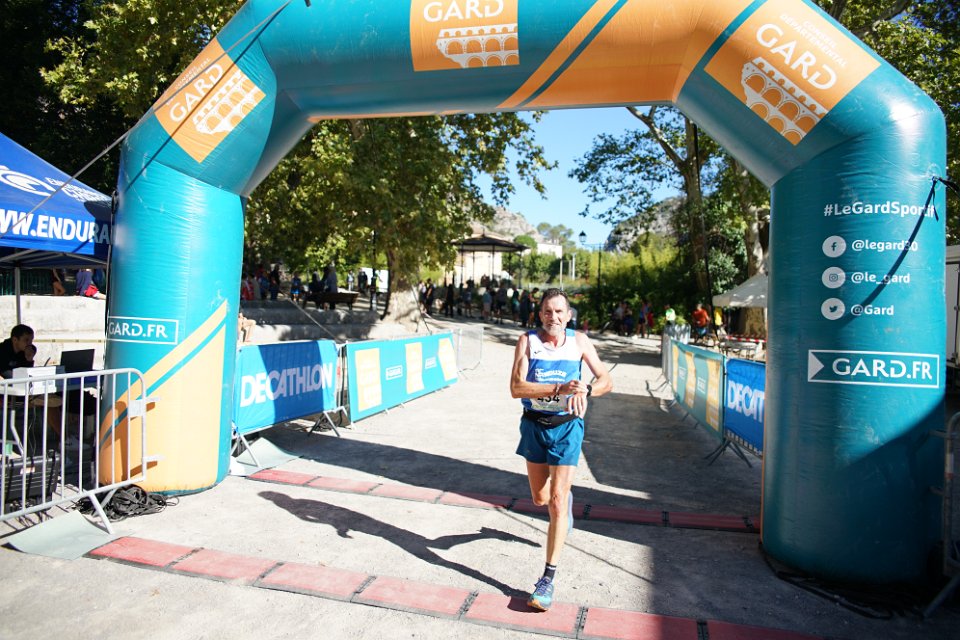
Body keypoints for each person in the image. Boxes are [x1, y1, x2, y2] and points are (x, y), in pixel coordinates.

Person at [510, 288, 612, 611]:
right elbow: (516, 388)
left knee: (555, 501)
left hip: (568, 427)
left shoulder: (579, 342)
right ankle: (563, 500)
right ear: (539, 314)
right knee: (540, 499)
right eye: (547, 312)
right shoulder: (527, 341)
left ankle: (547, 579)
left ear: (568, 316)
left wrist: (588, 389)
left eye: (558, 312)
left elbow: (606, 379)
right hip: (534, 426)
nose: (552, 317)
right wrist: (558, 388)